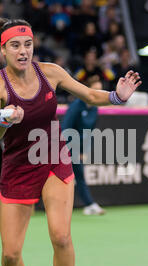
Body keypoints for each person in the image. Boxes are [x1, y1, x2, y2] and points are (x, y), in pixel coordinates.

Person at [0, 18, 141, 266]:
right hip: (17, 168)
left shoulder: (50, 72)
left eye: (27, 44)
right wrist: (5, 121)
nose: (23, 51)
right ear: (4, 51)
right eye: (15, 46)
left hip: (53, 157)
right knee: (10, 255)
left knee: (61, 237)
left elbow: (89, 94)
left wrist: (117, 96)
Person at [61, 75, 105, 216]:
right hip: (64, 146)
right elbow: (65, 128)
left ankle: (89, 204)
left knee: (78, 175)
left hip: (77, 147)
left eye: (100, 91)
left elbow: (90, 132)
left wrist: (82, 150)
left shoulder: (95, 109)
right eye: (95, 90)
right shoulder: (76, 106)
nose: (98, 94)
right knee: (66, 176)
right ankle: (90, 204)